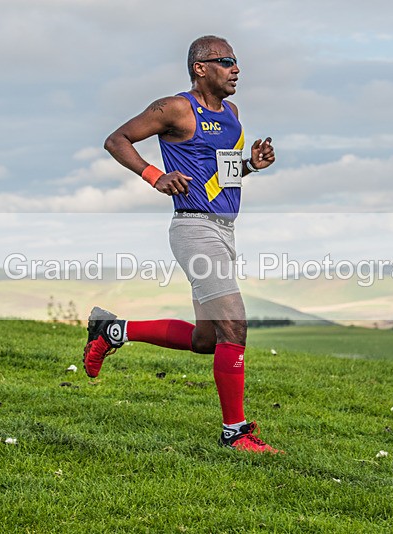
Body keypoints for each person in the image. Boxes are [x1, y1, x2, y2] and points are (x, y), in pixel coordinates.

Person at [84, 35, 280, 453]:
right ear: (200, 68)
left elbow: (221, 175)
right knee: (235, 325)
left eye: (236, 61)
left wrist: (249, 166)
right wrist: (155, 176)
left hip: (225, 229)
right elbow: (116, 140)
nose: (236, 69)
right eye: (226, 61)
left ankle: (112, 331)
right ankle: (236, 434)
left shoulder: (232, 113)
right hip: (194, 228)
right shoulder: (175, 108)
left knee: (208, 340)